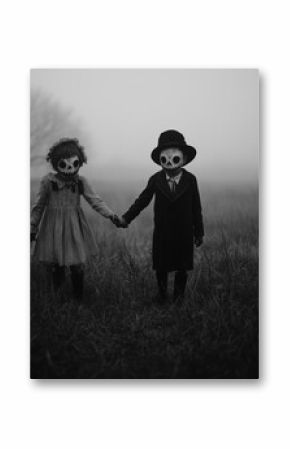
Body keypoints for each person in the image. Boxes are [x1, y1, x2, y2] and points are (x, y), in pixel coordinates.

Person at [117, 130, 204, 304]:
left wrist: (199, 232)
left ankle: (179, 298)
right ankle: (162, 295)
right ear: (159, 159)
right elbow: (142, 200)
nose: (170, 162)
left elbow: (196, 207)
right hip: (163, 230)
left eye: (176, 157)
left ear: (184, 158)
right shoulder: (155, 179)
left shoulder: (191, 180)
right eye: (165, 158)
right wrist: (126, 218)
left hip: (184, 231)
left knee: (182, 266)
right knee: (161, 266)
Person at [31, 138, 119, 301]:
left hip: (74, 227)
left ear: (80, 161)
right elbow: (39, 205)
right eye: (63, 165)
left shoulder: (80, 182)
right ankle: (57, 298)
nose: (70, 169)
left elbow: (95, 200)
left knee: (77, 263)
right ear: (56, 163)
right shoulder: (48, 182)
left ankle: (78, 298)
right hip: (53, 227)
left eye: (74, 164)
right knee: (57, 263)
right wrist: (32, 227)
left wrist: (111, 215)